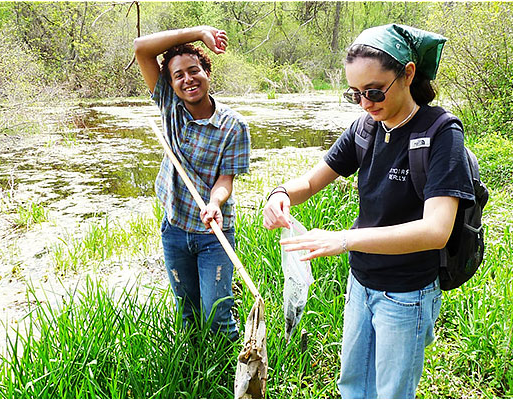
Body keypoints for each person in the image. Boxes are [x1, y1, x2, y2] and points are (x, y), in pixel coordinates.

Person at [263, 24, 474, 398]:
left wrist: (343, 239)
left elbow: (436, 229)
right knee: (354, 385)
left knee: (391, 392)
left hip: (407, 293)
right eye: (355, 94)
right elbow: (312, 182)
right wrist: (280, 193)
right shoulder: (365, 127)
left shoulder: (442, 133)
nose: (365, 103)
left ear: (407, 74)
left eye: (374, 91)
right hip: (361, 283)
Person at [134, 26, 250, 341]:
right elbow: (142, 48)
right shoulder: (169, 108)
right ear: (170, 84)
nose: (188, 79)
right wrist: (198, 33)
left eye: (194, 70)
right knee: (187, 313)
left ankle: (230, 375)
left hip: (214, 232)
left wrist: (214, 204)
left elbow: (225, 180)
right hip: (174, 228)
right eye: (179, 75)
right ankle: (193, 370)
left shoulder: (234, 126)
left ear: (207, 72)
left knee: (217, 316)